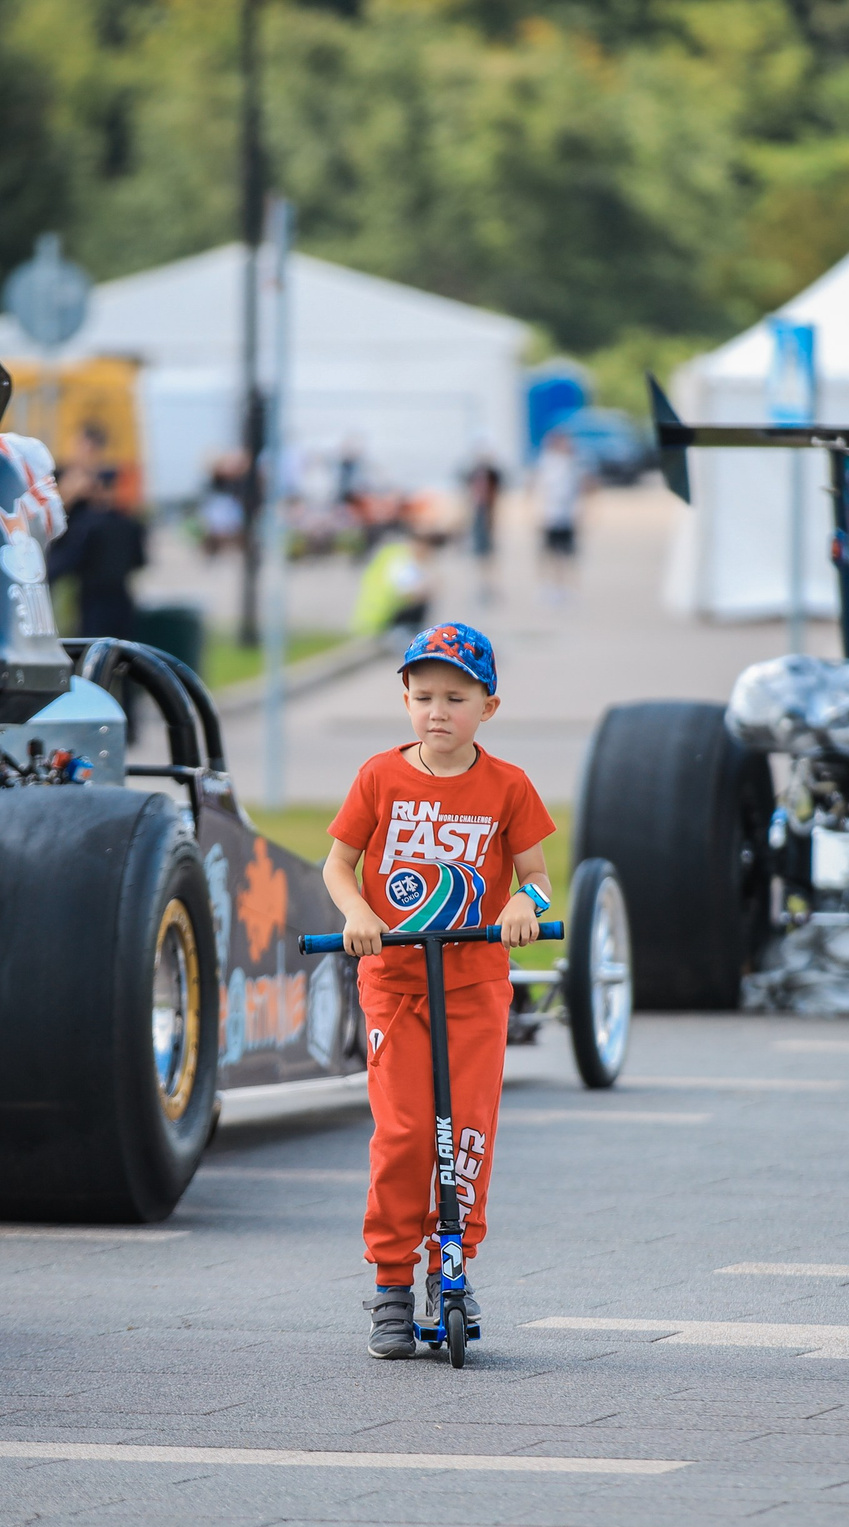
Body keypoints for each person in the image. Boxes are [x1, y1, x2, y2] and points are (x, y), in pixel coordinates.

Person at [322, 624, 555, 1358]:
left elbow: (538, 878)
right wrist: (358, 913)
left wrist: (524, 906)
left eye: (456, 698)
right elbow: (338, 865)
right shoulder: (379, 777)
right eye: (423, 696)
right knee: (406, 1134)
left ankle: (450, 1266)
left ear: (488, 706)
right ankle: (391, 1281)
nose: (438, 711)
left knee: (467, 1135)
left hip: (475, 985)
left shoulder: (508, 786)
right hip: (396, 985)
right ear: (405, 701)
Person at [49, 466, 147, 640]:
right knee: (122, 648)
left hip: (93, 601)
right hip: (122, 599)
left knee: (93, 646)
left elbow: (66, 560)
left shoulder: (86, 524)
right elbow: (139, 561)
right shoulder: (129, 524)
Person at [534, 428, 584, 601]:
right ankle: (547, 586)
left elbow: (579, 489)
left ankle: (565, 587)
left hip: (566, 516)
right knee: (548, 553)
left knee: (566, 554)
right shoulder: (548, 463)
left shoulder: (572, 463)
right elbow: (541, 488)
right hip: (550, 515)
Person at [466, 448, 504, 606]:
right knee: (480, 553)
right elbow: (469, 495)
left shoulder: (492, 474)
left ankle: (490, 586)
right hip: (478, 512)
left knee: (489, 553)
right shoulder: (473, 473)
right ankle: (482, 586)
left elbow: (496, 494)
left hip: (488, 512)